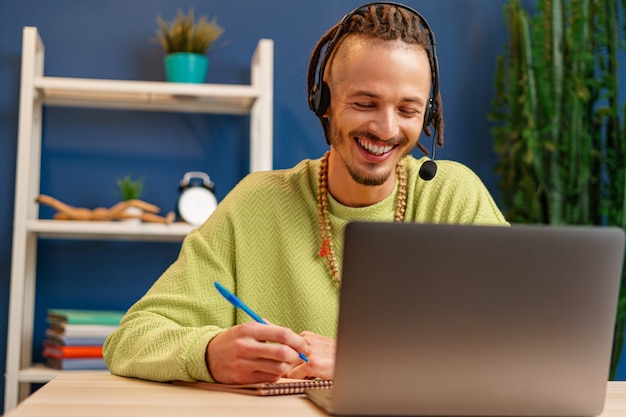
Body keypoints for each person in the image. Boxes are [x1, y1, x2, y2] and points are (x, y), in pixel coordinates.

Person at [103, 2, 508, 385]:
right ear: (323, 102)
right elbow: (131, 338)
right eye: (365, 103)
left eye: (407, 110)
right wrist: (207, 353)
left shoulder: (453, 196)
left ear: (429, 115)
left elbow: (516, 341)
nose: (386, 129)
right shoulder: (256, 204)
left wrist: (358, 360)